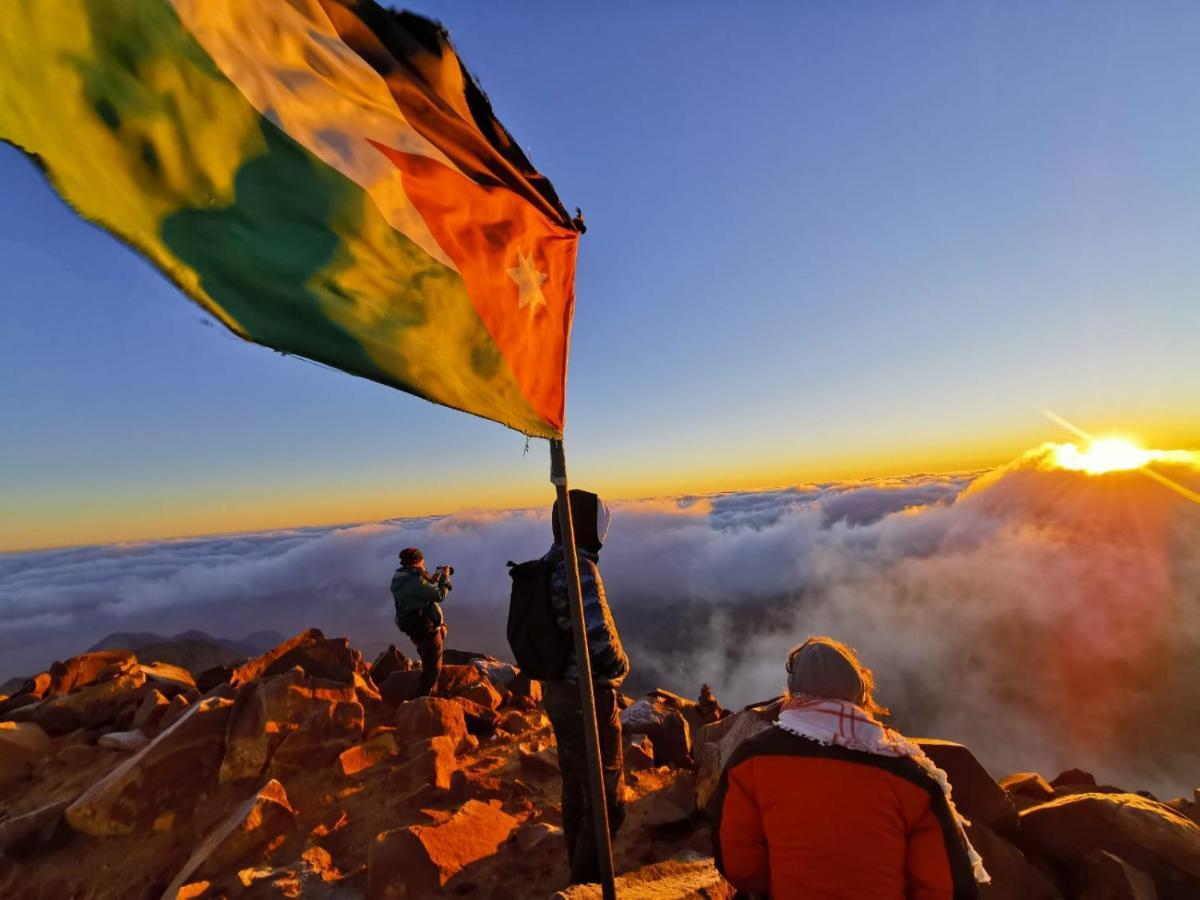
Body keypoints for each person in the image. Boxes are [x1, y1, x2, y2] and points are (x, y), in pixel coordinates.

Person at [709, 636, 987, 900]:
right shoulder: (912, 777)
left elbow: (739, 865)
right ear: (861, 693)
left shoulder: (750, 761)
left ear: (792, 692)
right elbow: (947, 887)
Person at [541, 489, 630, 885]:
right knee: (608, 802)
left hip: (558, 691)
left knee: (577, 786)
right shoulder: (578, 568)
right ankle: (587, 885)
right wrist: (622, 667)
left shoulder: (546, 564)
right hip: (588, 696)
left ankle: (578, 872)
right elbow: (600, 641)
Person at [389, 547, 451, 697]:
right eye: (422, 561)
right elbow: (439, 595)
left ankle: (426, 693)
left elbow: (417, 592)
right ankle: (423, 700)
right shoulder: (414, 581)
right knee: (433, 669)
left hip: (414, 627)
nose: (424, 564)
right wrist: (445, 578)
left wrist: (430, 580)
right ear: (417, 562)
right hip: (426, 629)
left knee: (427, 660)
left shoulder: (400, 578)